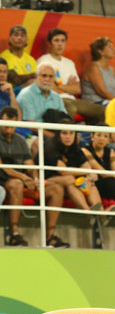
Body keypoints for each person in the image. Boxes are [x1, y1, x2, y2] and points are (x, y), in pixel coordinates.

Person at [0, 106, 69, 247]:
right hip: (3, 179)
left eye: (13, 123)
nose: (10, 127)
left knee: (56, 189)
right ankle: (14, 234)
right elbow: (2, 166)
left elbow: (29, 164)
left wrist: (35, 179)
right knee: (16, 184)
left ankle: (50, 237)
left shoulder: (20, 140)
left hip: (21, 180)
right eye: (7, 122)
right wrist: (23, 177)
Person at [38, 28, 105, 122]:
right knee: (71, 108)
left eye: (62, 41)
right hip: (55, 99)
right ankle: (65, 136)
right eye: (56, 40)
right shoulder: (44, 61)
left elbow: (78, 89)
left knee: (102, 110)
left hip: (73, 99)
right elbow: (49, 89)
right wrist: (68, 87)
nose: (60, 44)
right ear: (50, 43)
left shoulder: (69, 63)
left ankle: (97, 136)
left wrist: (59, 86)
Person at [43, 119, 104, 212]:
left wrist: (89, 177)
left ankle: (100, 213)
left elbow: (88, 168)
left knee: (90, 183)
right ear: (58, 134)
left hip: (68, 184)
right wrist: (87, 172)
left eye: (71, 133)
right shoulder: (50, 147)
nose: (68, 137)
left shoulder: (75, 148)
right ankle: (88, 212)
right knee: (70, 179)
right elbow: (63, 171)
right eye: (64, 133)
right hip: (46, 182)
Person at [82, 37, 115, 106]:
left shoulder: (112, 69)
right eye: (109, 47)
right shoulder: (93, 68)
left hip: (111, 101)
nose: (114, 49)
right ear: (100, 51)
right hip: (95, 103)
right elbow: (102, 92)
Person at [0, 25, 36, 92]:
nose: (19, 38)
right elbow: (17, 80)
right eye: (16, 35)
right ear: (10, 39)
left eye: (22, 35)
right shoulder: (3, 58)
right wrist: (32, 75)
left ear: (26, 40)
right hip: (10, 92)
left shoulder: (31, 60)